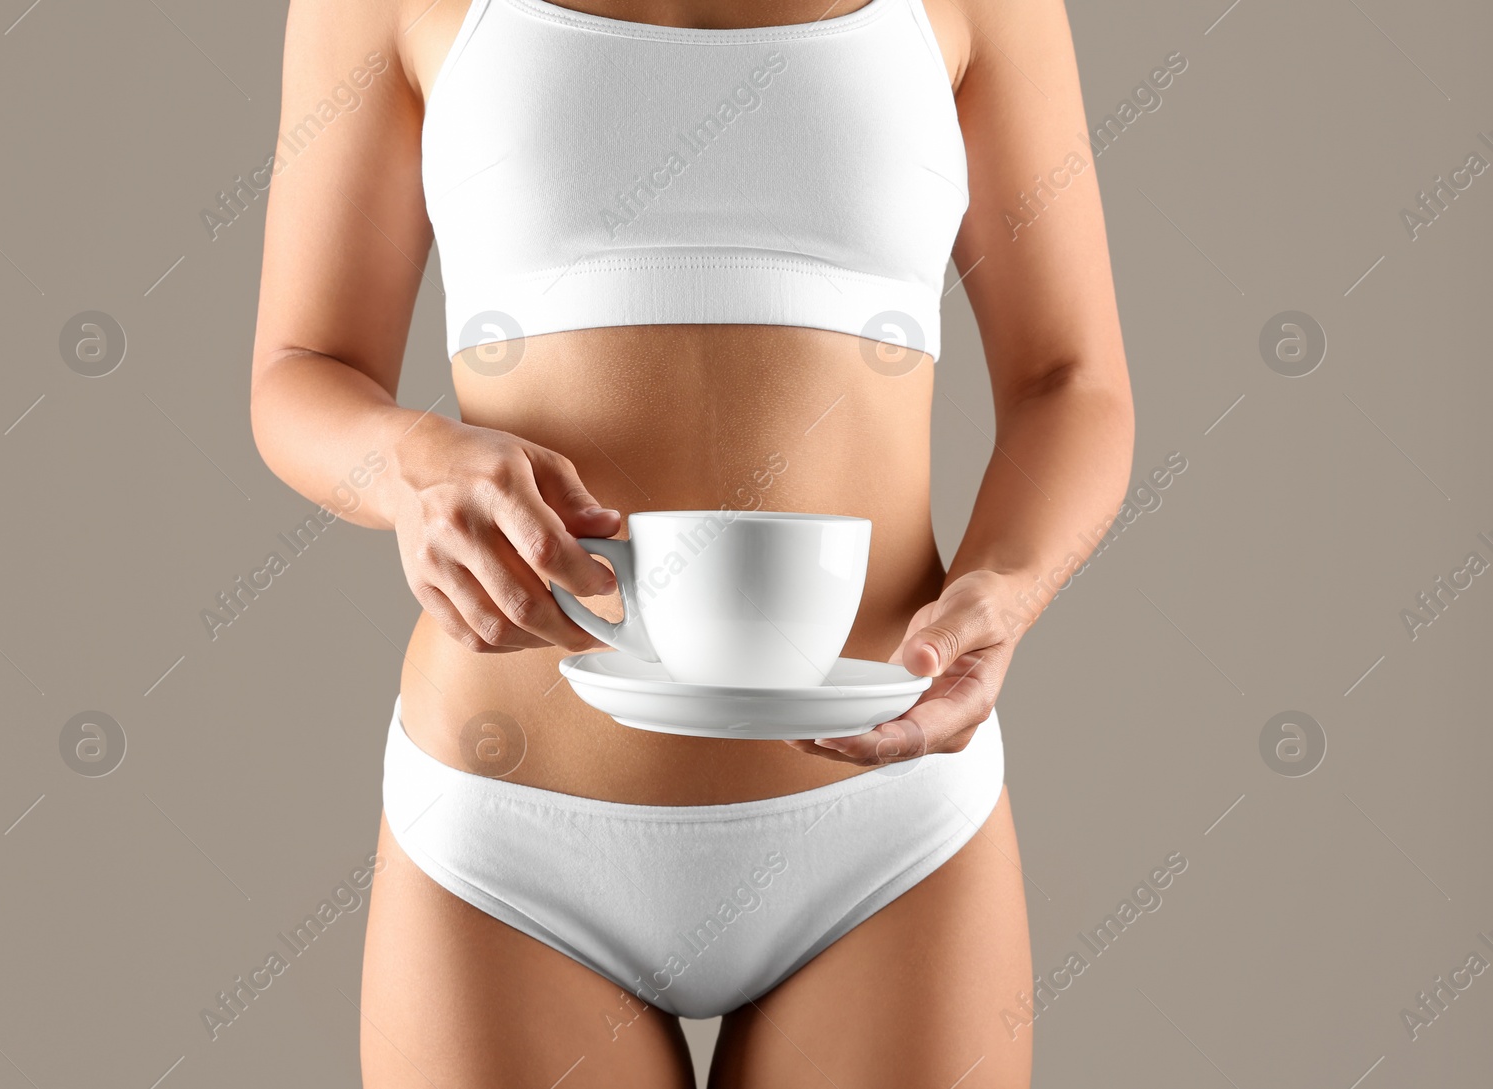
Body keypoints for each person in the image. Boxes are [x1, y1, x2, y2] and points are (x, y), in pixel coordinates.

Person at [250, 0, 1134, 1084]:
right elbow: (300, 364)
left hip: (886, 836)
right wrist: (411, 467)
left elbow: (1070, 382)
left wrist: (1005, 589)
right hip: (516, 847)